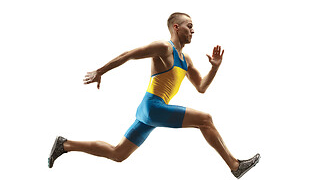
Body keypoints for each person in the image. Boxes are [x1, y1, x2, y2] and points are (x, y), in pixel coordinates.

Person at [48, 12, 260, 179]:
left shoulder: (186, 60)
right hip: (153, 107)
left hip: (149, 111)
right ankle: (235, 166)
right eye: (189, 26)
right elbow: (129, 55)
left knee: (118, 154)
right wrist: (100, 71)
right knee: (206, 120)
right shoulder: (163, 48)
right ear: (176, 27)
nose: (193, 30)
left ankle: (65, 144)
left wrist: (214, 68)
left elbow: (201, 87)